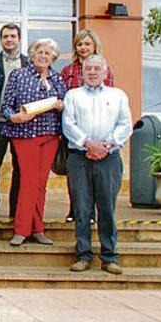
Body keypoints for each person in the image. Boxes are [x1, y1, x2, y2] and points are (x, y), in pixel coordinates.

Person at [63, 54, 131, 275]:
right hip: (79, 158)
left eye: (96, 69)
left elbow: (125, 125)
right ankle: (83, 255)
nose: (92, 72)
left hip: (109, 158)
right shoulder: (72, 95)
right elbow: (69, 124)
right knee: (82, 208)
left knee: (107, 208)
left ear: (105, 72)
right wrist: (88, 144)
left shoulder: (118, 95)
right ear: (82, 73)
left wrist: (106, 145)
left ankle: (109, 256)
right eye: (88, 69)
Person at [1, 38, 66, 247]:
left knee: (40, 184)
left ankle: (37, 229)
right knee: (28, 182)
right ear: (32, 54)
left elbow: (66, 105)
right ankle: (21, 230)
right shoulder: (19, 75)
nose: (43, 56)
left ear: (53, 57)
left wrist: (60, 105)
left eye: (48, 53)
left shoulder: (57, 78)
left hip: (50, 135)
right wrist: (14, 117)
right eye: (40, 52)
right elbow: (6, 106)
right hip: (25, 134)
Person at [60, 29, 115, 223]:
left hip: (99, 134)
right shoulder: (67, 71)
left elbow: (109, 100)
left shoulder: (103, 69)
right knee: (75, 176)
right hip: (74, 131)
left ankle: (92, 212)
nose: (83, 48)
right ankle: (76, 209)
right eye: (79, 44)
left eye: (87, 44)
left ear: (94, 46)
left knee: (97, 177)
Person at [0, 23, 28, 219]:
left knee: (20, 168)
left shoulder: (29, 63)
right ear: (1, 39)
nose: (9, 40)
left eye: (13, 36)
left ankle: (16, 209)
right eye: (5, 36)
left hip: (21, 123)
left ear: (19, 39)